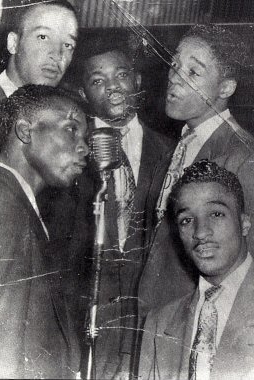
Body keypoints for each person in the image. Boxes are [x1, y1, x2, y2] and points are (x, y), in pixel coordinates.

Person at [138, 24, 254, 319]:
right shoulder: (175, 148)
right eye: (174, 65)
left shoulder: (247, 157)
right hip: (157, 316)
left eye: (193, 72)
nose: (174, 79)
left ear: (225, 88)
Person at [75, 36, 172, 379]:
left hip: (148, 324)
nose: (113, 88)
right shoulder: (68, 151)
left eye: (121, 75)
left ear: (138, 81)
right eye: (97, 81)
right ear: (85, 93)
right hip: (85, 327)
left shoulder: (171, 152)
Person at [0, 84, 88, 378]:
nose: (84, 148)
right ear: (25, 131)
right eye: (71, 129)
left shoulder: (16, 202)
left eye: (85, 137)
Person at [139, 159, 254, 380]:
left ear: (245, 223)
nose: (200, 232)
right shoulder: (158, 323)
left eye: (216, 214)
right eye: (187, 220)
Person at [0, 0, 79, 169]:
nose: (57, 54)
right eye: (43, 37)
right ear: (13, 43)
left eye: (68, 45)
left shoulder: (70, 116)